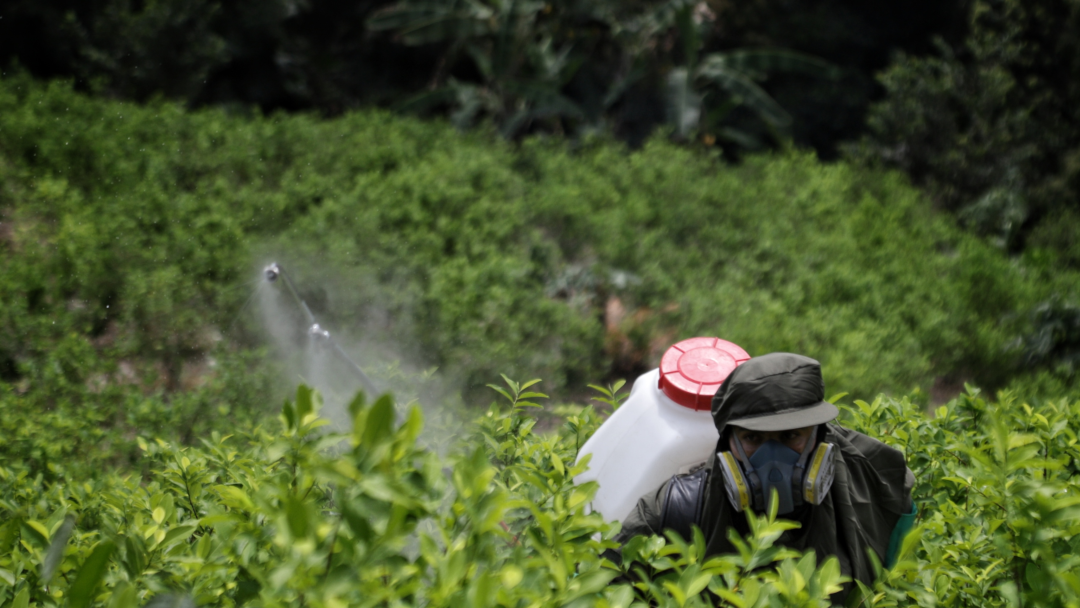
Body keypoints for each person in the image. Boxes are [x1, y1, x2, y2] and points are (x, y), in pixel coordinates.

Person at [612, 352, 917, 598]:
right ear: (727, 442)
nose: (773, 459)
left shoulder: (876, 486)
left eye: (791, 436)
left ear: (820, 437)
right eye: (753, 439)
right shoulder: (674, 510)